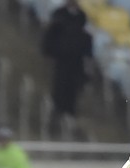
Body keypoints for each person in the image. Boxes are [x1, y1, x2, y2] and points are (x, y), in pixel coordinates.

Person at [42, 0, 93, 139]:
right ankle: (58, 113)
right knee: (60, 87)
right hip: (62, 60)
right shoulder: (59, 15)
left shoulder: (81, 16)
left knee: (73, 88)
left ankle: (70, 114)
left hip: (76, 62)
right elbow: (50, 36)